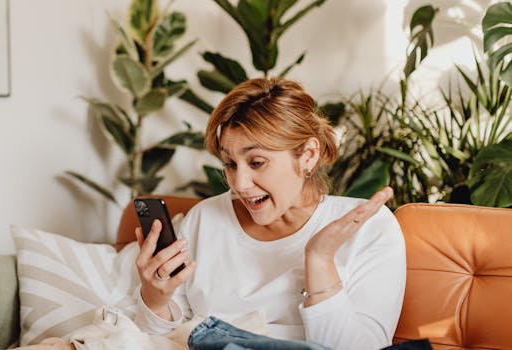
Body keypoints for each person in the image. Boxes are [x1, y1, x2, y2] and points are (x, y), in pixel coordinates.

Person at [132, 78, 407, 350]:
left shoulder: (370, 228)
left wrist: (319, 260)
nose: (239, 184)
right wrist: (155, 300)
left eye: (257, 162)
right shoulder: (204, 218)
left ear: (308, 155)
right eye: (230, 163)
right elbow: (160, 337)